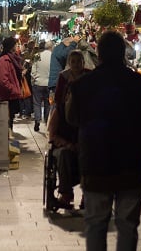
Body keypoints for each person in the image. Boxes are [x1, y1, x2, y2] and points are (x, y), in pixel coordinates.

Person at [66, 31, 141, 251]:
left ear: (99, 54)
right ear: (122, 53)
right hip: (131, 163)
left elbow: (71, 118)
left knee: (96, 223)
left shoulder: (82, 85)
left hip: (96, 162)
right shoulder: (140, 83)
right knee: (128, 224)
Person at [47, 49, 91, 209]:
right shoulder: (60, 109)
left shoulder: (90, 113)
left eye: (79, 62)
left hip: (85, 147)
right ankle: (66, 194)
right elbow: (52, 134)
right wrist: (67, 144)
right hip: (65, 146)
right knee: (64, 155)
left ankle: (88, 194)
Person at [0, 37, 24, 131]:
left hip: (12, 96)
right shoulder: (4, 60)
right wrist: (13, 89)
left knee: (10, 120)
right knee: (7, 122)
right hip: (8, 96)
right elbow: (2, 80)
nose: (17, 46)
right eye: (16, 44)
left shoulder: (13, 58)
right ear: (11, 46)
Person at [31, 40, 53, 132]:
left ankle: (37, 120)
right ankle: (46, 121)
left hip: (38, 83)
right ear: (51, 47)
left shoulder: (37, 55)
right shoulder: (53, 56)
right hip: (49, 83)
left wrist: (35, 78)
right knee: (48, 104)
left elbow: (33, 70)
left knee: (37, 103)